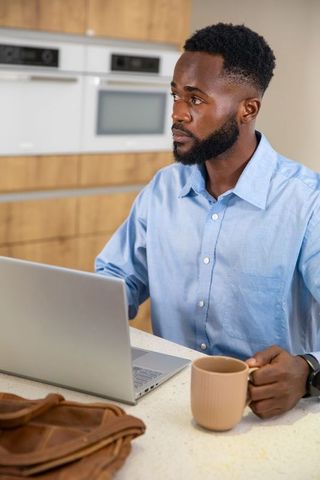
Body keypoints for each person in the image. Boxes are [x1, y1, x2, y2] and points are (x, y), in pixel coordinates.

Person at [96, 23, 320, 418]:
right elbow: (117, 279)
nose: (177, 114)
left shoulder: (306, 201)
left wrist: (308, 371)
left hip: (270, 417)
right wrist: (85, 308)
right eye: (176, 95)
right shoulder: (163, 189)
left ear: (247, 109)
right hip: (172, 406)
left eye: (196, 100)